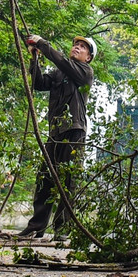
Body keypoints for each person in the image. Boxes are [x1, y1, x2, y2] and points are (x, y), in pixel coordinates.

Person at [19, 34, 96, 240]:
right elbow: (39, 83)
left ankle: (63, 230)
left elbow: (62, 61)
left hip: (74, 131)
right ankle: (36, 226)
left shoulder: (85, 72)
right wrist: (34, 59)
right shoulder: (59, 72)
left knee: (68, 181)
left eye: (82, 47)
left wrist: (43, 44)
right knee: (45, 179)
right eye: (76, 45)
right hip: (55, 133)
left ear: (88, 57)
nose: (77, 48)